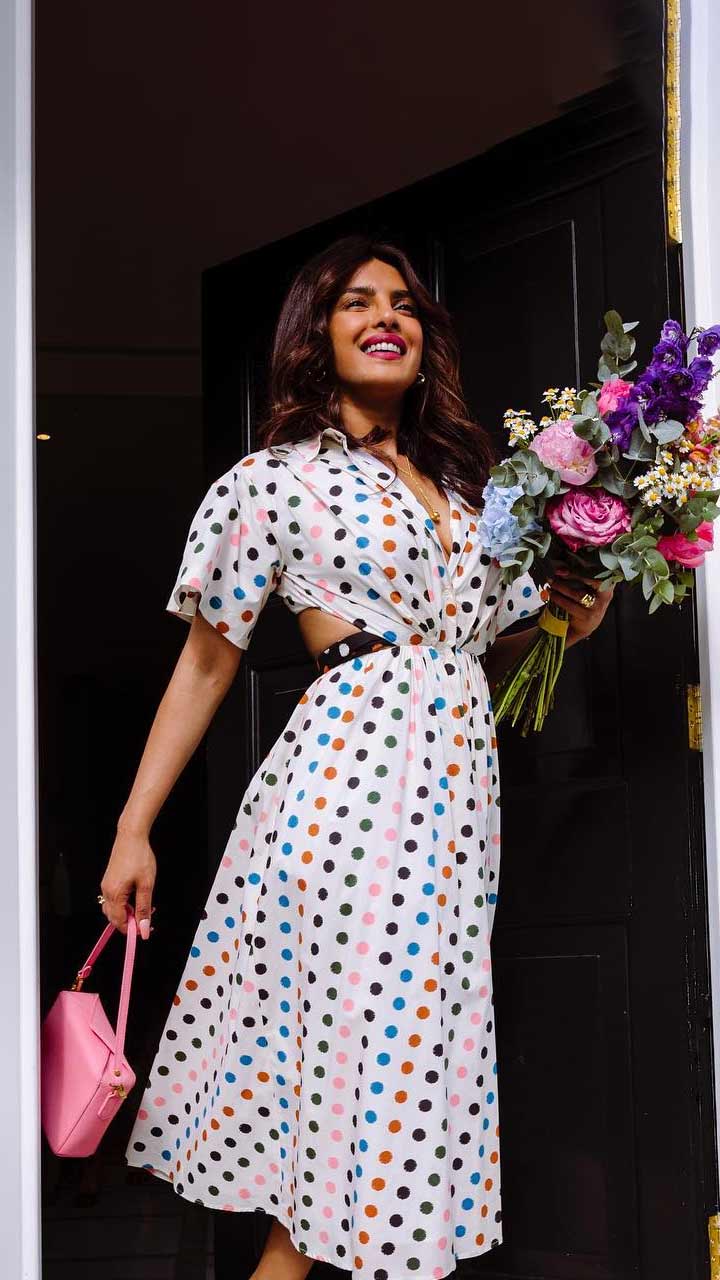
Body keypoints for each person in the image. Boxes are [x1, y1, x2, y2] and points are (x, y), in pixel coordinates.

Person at [101, 234, 613, 1280]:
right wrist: (132, 826)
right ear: (317, 335)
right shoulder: (275, 482)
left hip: (453, 807)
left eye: (405, 304)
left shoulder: (470, 493)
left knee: (395, 1085)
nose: (387, 317)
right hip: (350, 795)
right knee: (370, 1074)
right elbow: (206, 662)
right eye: (357, 302)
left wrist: (571, 617)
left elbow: (490, 644)